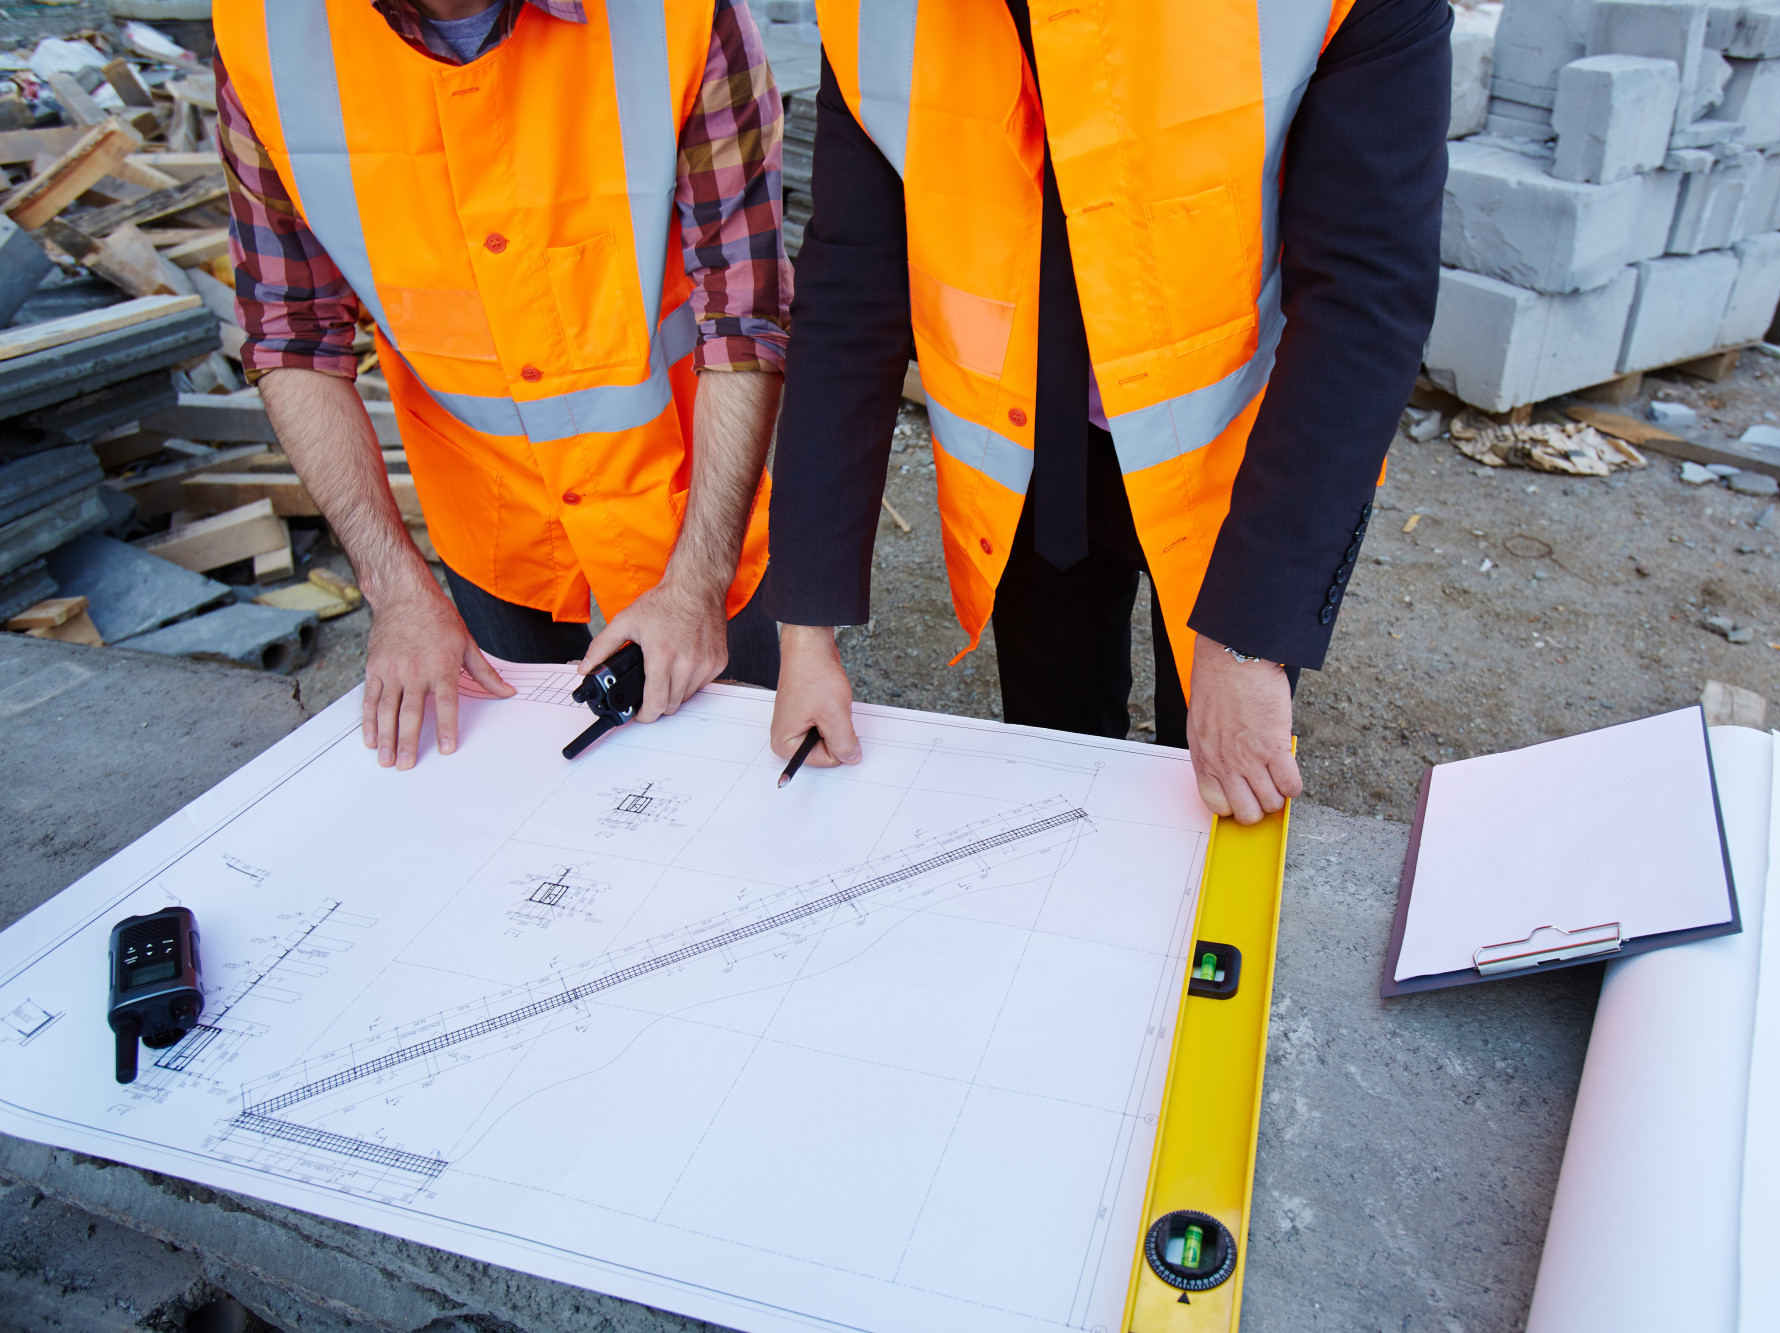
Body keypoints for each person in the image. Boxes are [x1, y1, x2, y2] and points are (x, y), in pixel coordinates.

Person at [761, 0, 1449, 823]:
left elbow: (1366, 295)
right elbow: (847, 293)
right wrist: (806, 624)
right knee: (1056, 782)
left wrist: (1252, 639)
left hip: (1232, 463)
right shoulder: (880, 13)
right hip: (1027, 458)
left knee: (1205, 794)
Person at [212, 0, 790, 769]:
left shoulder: (676, 15)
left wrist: (698, 580)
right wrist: (397, 589)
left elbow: (745, 312)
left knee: (733, 787)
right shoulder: (270, 36)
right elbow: (293, 338)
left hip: (684, 508)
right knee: (532, 801)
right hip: (489, 528)